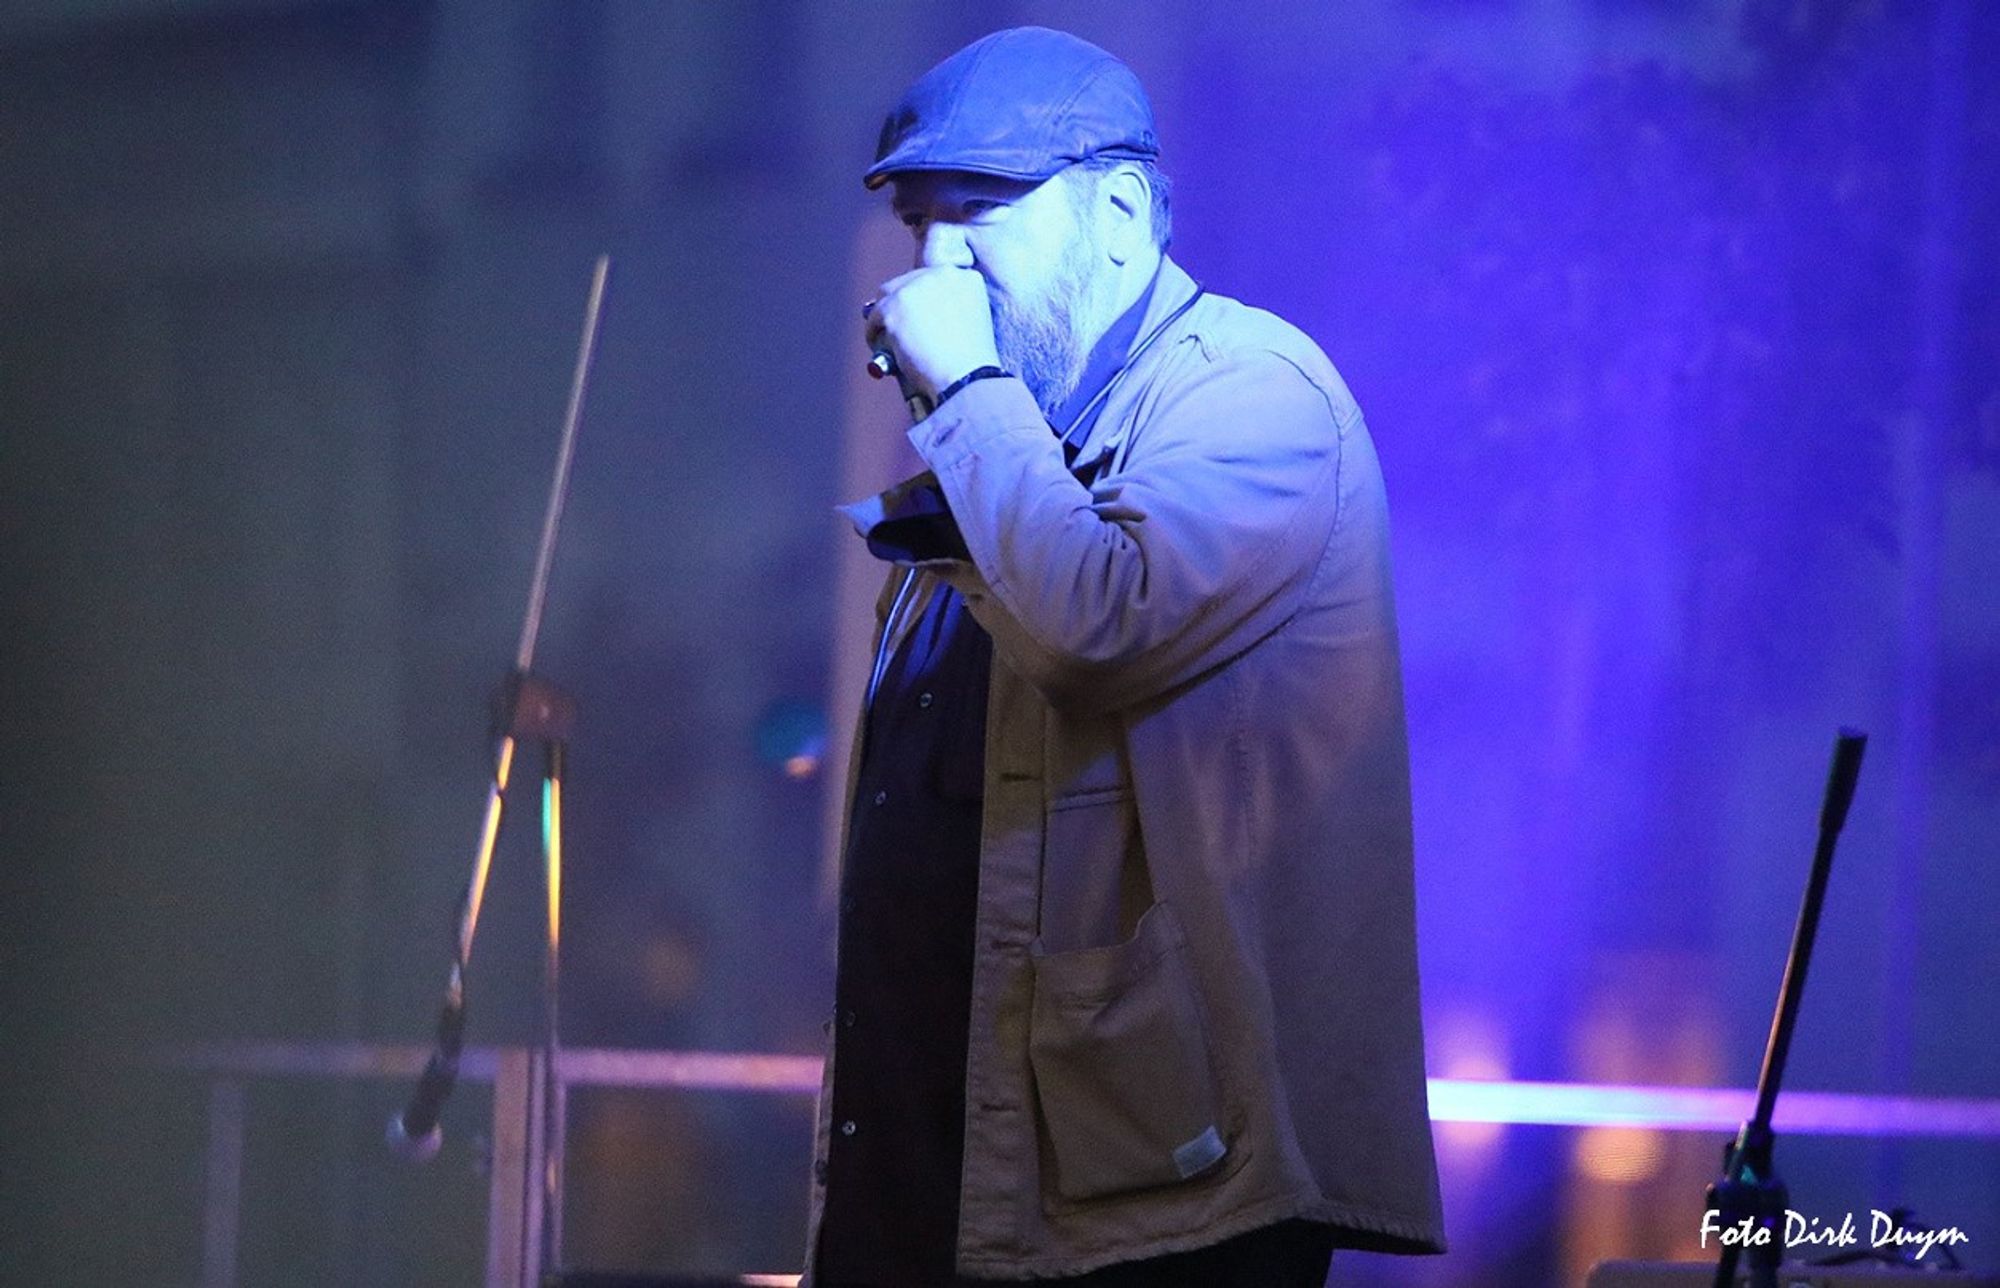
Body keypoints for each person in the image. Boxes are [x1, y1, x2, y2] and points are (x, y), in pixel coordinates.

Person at [807, 26, 1444, 1287]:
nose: (932, 269)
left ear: (1116, 212)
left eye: (977, 215)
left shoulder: (1255, 397)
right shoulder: (1004, 451)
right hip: (955, 1182)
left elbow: (1097, 624)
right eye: (918, 225)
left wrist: (970, 388)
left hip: (1159, 1210)